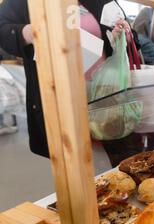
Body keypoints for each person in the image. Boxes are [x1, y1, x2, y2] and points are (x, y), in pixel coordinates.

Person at [0, 0, 142, 167]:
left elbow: (127, 34)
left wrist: (124, 35)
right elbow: (3, 29)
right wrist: (30, 32)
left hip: (107, 98)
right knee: (77, 170)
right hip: (61, 103)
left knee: (122, 165)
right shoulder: (25, 3)